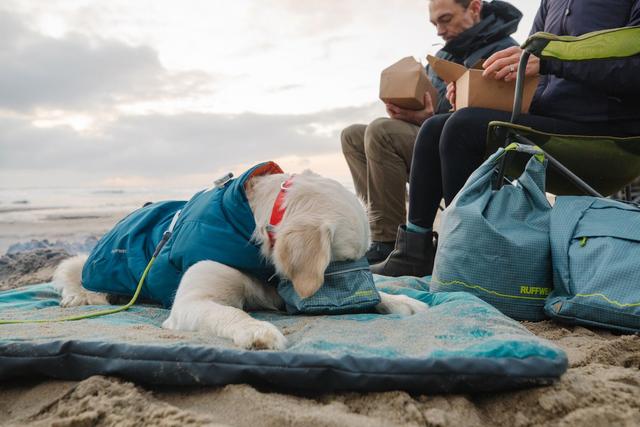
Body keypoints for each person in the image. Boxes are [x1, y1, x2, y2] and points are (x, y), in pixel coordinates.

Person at [372, 0, 640, 277]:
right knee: (435, 128)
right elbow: (532, 70)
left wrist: (552, 60)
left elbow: (632, 68)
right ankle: (414, 253)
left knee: (462, 127)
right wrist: (475, 89)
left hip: (609, 135)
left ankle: (466, 256)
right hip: (548, 123)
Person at [341, 0, 522, 264]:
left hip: (469, 152)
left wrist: (430, 117)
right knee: (353, 135)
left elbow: (490, 120)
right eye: (435, 23)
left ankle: (389, 242)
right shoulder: (444, 56)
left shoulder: (504, 50)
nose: (439, 30)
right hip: (430, 142)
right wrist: (408, 108)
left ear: (474, 8)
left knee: (382, 131)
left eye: (445, 19)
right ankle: (375, 230)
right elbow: (431, 109)